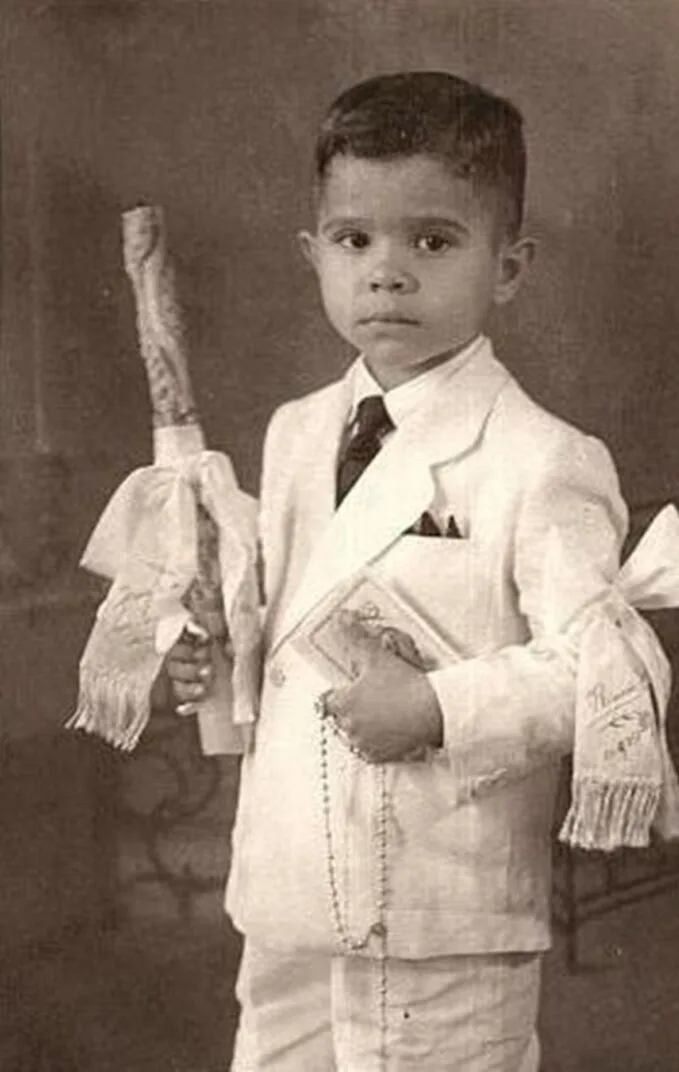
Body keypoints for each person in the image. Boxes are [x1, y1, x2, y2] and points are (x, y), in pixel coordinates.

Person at [160, 71, 628, 1071]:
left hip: (438, 906)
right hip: (290, 888)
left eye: (433, 241)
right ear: (314, 254)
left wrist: (438, 707)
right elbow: (291, 639)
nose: (386, 274)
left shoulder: (541, 457)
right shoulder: (296, 434)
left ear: (509, 266)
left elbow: (605, 675)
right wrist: (225, 665)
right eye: (354, 239)